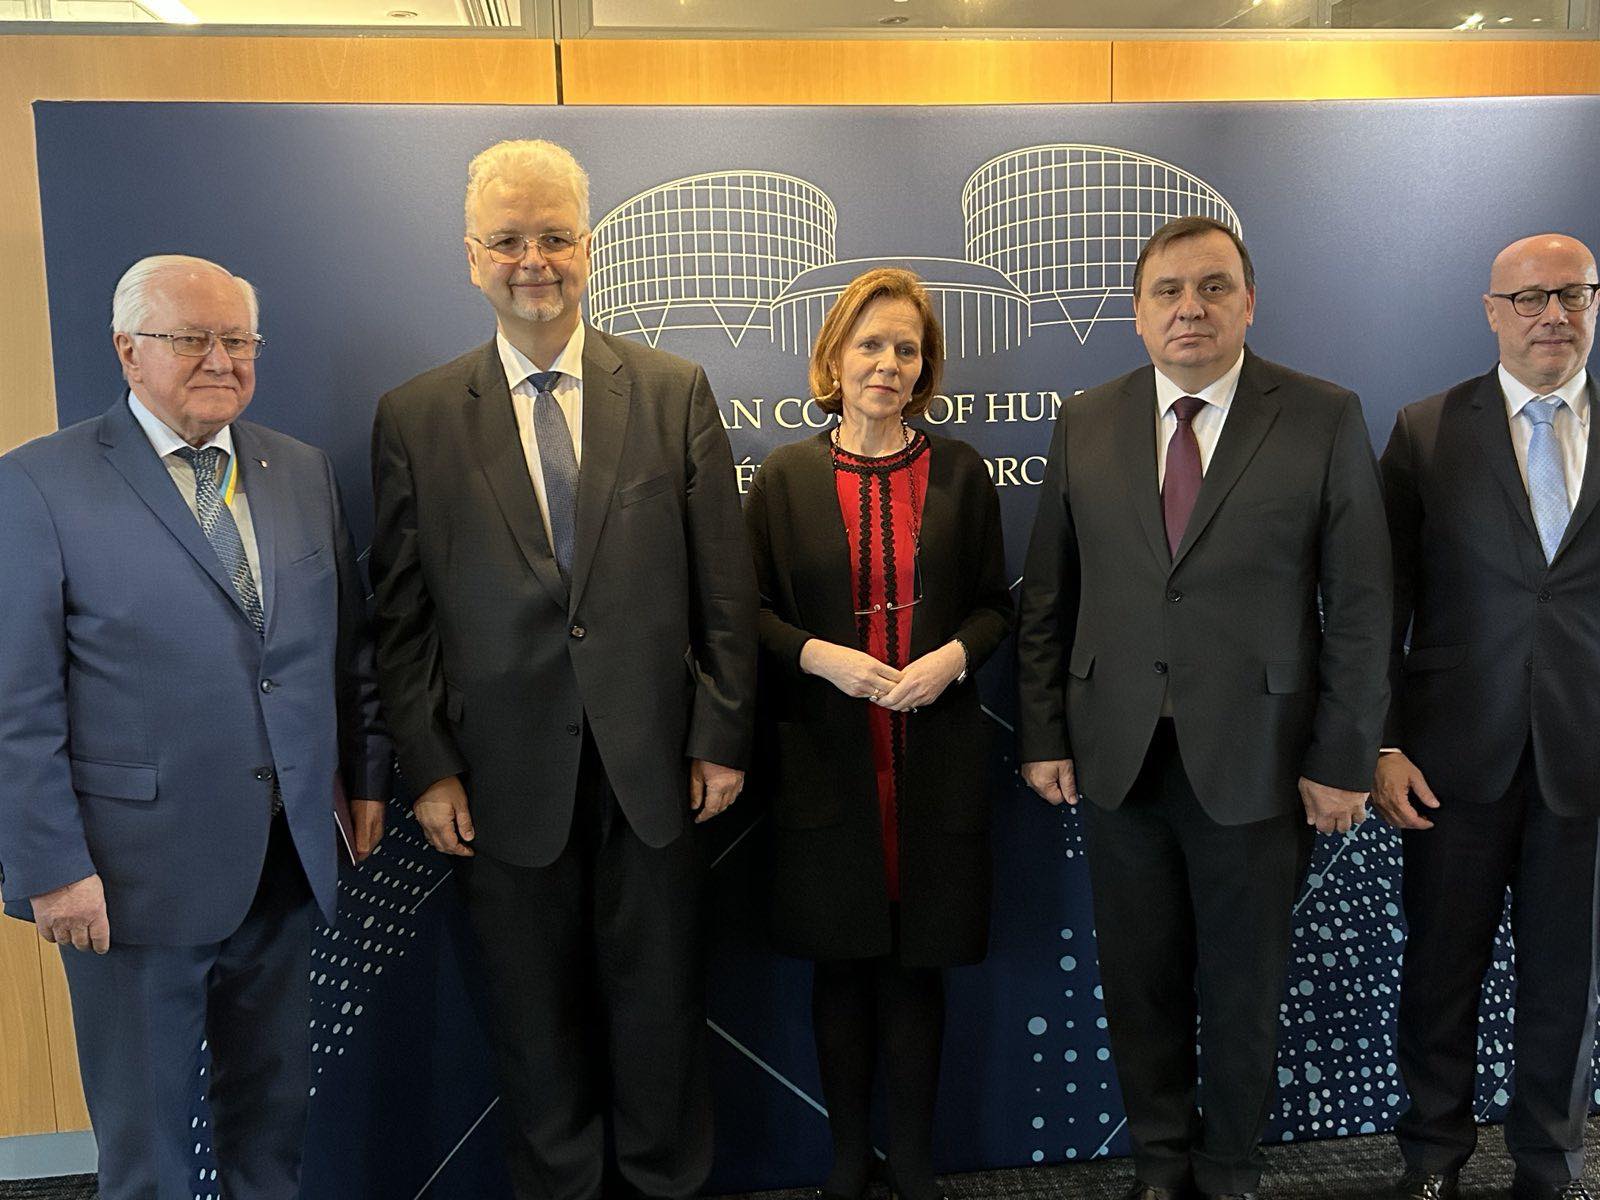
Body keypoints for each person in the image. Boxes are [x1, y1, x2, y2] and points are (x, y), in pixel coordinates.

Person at [369, 138, 757, 1200]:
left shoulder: (673, 391)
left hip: (655, 770)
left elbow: (724, 588)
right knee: (533, 1028)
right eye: (507, 241)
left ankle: (664, 1185)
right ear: (471, 258)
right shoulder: (415, 417)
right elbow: (400, 617)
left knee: (661, 1014)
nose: (532, 261)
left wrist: (720, 736)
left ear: (588, 248)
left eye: (553, 237)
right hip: (499, 780)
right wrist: (429, 767)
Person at [1016, 216, 1392, 1200]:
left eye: (1213, 287)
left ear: (1248, 303)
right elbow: (1049, 595)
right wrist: (1044, 734)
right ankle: (1159, 1162)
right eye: (1168, 291)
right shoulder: (1085, 419)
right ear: (1138, 315)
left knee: (1242, 987)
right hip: (1116, 755)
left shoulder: (1322, 416)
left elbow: (1360, 606)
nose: (1190, 308)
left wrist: (1343, 757)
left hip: (1260, 759)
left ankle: (1229, 1168)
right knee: (1138, 983)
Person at [0, 254, 390, 1200]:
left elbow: (347, 650)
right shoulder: (38, 484)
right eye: (191, 338)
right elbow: (17, 702)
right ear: (128, 351)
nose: (221, 359)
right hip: (129, 880)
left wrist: (366, 778)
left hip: (283, 864)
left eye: (238, 339)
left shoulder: (299, 471)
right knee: (147, 1153)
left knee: (272, 1121)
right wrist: (50, 868)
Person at [744, 267, 1012, 1200]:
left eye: (906, 348)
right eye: (870, 345)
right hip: (828, 762)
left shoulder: (964, 471)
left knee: (917, 972)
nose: (888, 364)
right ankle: (849, 1162)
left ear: (925, 367)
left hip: (933, 763)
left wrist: (954, 659)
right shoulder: (784, 478)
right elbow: (746, 614)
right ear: (835, 358)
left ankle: (919, 1166)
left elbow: (995, 606)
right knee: (843, 969)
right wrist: (819, 655)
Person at [1375, 234, 1600, 1200]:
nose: (1554, 315)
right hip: (1449, 759)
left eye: (1573, 295)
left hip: (1585, 759)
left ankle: (1550, 1165)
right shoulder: (1425, 430)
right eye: (1530, 298)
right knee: (1440, 973)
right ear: (1491, 312)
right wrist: (1382, 741)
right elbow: (1379, 602)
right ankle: (1433, 1158)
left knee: (1566, 984)